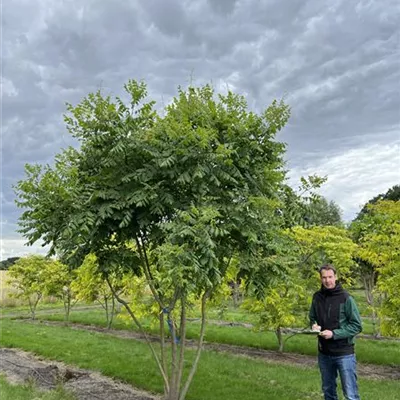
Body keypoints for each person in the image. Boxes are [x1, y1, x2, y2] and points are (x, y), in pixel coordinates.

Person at [309, 264, 362, 400]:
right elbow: (312, 317)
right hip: (324, 354)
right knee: (328, 391)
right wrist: (314, 325)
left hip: (344, 354)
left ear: (336, 277)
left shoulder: (346, 298)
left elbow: (356, 326)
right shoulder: (317, 297)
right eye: (324, 277)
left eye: (330, 277)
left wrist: (334, 334)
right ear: (320, 279)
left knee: (350, 394)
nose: (327, 280)